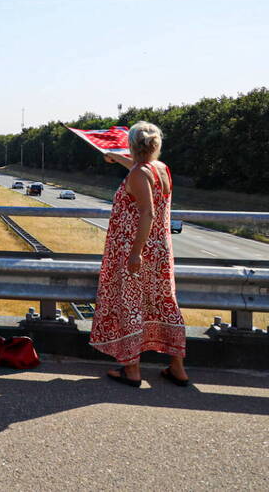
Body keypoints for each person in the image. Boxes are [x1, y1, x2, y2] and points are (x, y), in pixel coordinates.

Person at [89, 122, 189, 388]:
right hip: (160, 251)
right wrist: (117, 158)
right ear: (156, 146)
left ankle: (132, 370)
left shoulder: (137, 174)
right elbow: (140, 169)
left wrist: (135, 253)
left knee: (130, 304)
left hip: (135, 249)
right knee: (163, 303)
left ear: (133, 146)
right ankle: (177, 367)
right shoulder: (161, 169)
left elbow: (148, 212)